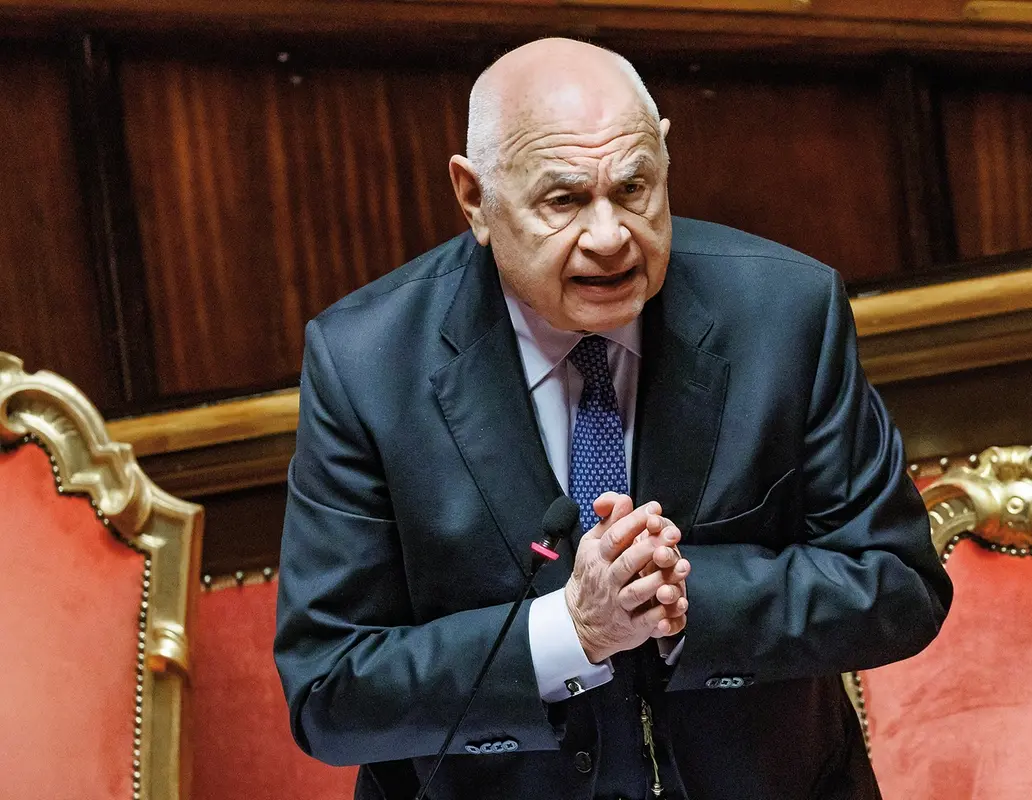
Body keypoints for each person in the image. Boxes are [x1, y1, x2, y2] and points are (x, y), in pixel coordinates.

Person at [274, 37, 952, 800]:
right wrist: (571, 631)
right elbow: (329, 692)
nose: (609, 237)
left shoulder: (786, 316)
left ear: (664, 156)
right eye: (563, 201)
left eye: (634, 189)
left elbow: (898, 585)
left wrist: (685, 596)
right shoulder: (366, 365)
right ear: (475, 200)